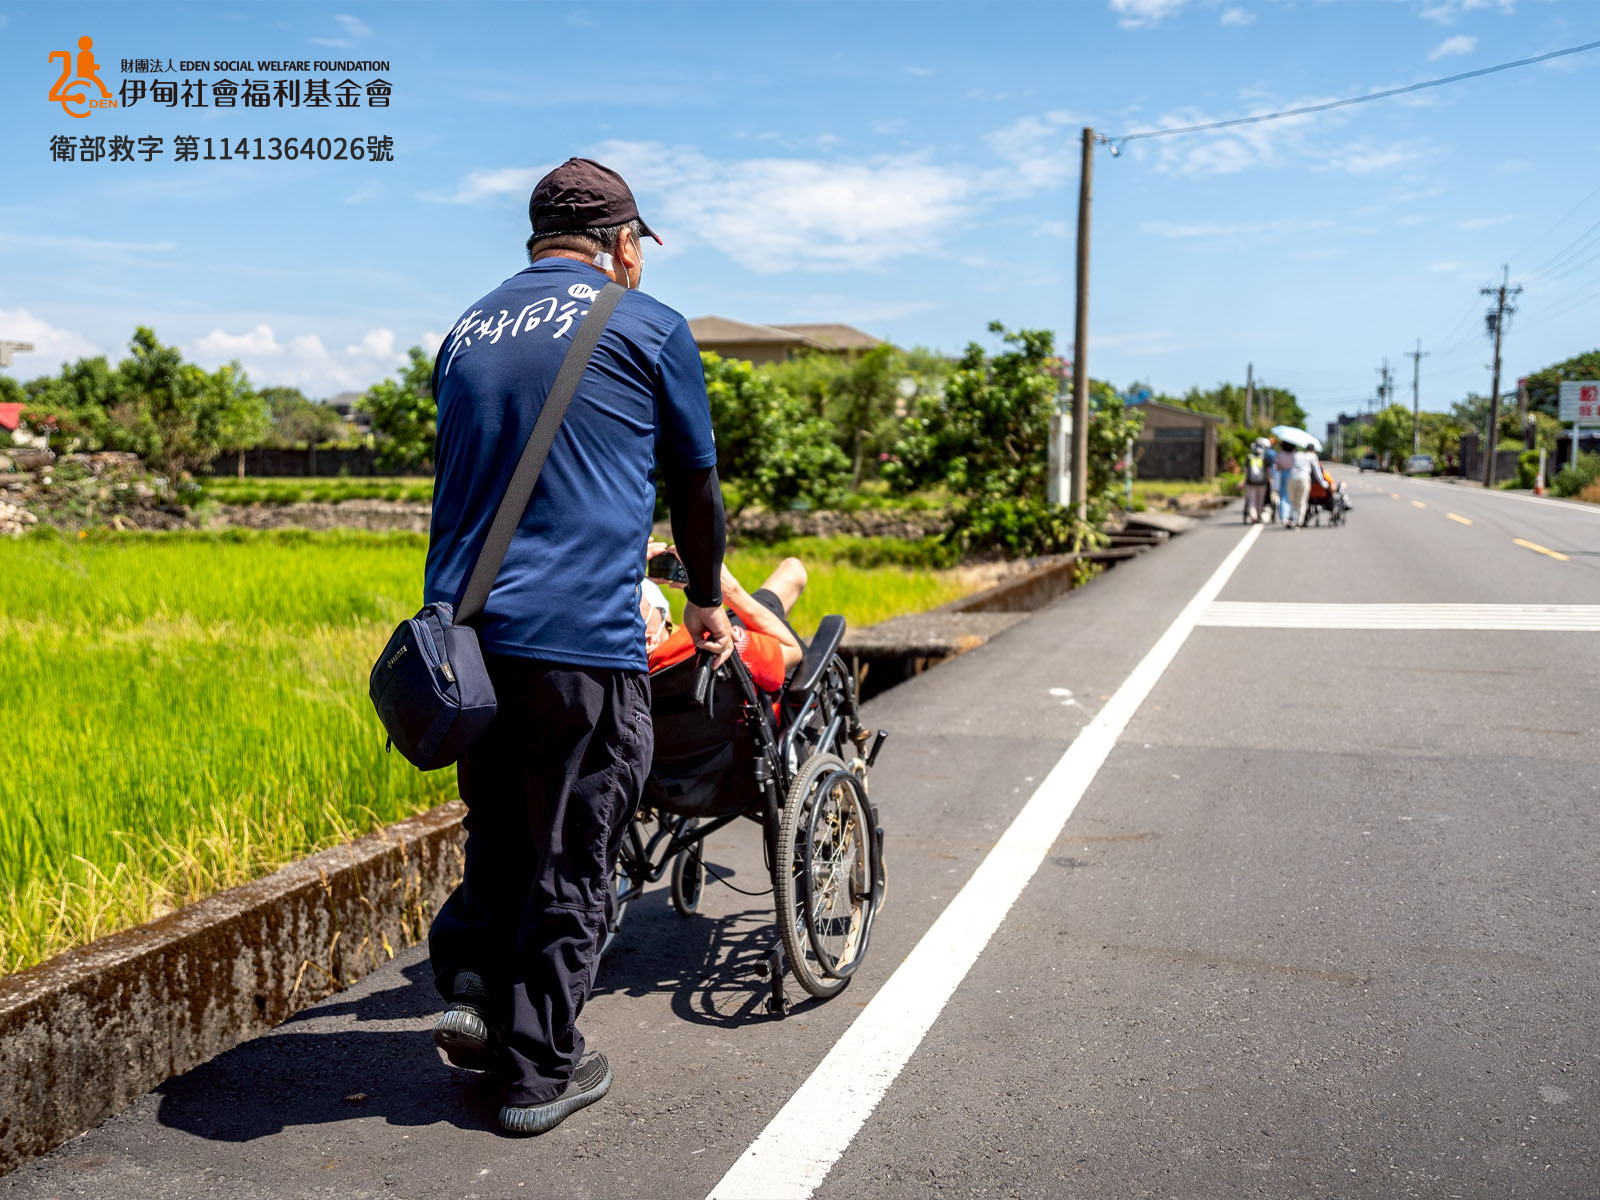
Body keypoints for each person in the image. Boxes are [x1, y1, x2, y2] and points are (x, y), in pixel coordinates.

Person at [422, 157, 734, 1136]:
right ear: (623, 245)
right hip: (577, 643)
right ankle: (538, 1073)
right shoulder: (647, 324)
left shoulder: (467, 329)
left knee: (503, 834)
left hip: (463, 644)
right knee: (575, 848)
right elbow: (694, 488)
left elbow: (500, 481)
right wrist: (709, 597)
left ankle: (476, 989)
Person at [642, 546, 806, 691]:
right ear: (650, 641)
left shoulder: (622, 684)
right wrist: (733, 593)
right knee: (793, 568)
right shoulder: (725, 643)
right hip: (758, 679)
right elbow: (792, 651)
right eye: (636, 598)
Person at [1285, 442, 1326, 529]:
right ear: (1313, 450)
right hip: (1304, 479)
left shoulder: (1296, 454)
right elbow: (1317, 471)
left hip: (1291, 478)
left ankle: (1291, 518)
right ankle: (1299, 522)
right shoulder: (1312, 456)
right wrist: (1323, 482)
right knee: (1302, 501)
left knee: (1292, 501)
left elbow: (1289, 465)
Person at [1242, 437, 1271, 524]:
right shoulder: (1265, 459)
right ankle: (1258, 516)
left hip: (1250, 483)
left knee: (1252, 500)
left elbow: (1246, 471)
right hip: (1262, 483)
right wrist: (1269, 480)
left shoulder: (1249, 458)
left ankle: (1253, 516)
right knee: (1260, 501)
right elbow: (1268, 472)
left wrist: (1244, 481)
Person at [1274, 440, 1296, 525]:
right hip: (1294, 475)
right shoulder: (1295, 454)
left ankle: (1284, 516)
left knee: (1283, 496)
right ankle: (1292, 515)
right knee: (1293, 496)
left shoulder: (1280, 454)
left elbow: (1277, 466)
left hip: (1283, 474)